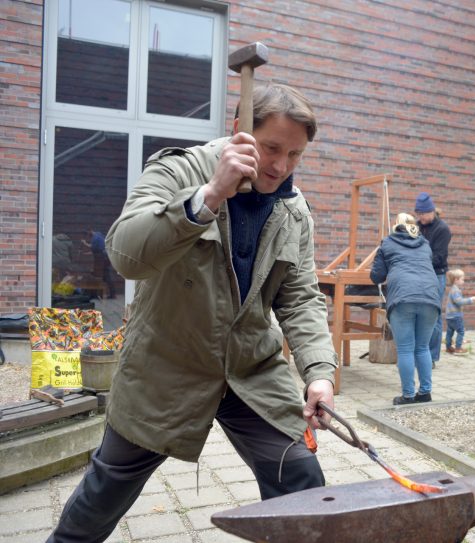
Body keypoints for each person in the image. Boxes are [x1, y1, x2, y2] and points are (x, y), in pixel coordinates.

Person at [47, 83, 339, 543]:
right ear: (240, 130)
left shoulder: (294, 209)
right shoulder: (179, 169)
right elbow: (125, 254)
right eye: (271, 148)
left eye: (296, 155)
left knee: (300, 478)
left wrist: (319, 373)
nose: (281, 166)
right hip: (166, 367)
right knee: (104, 495)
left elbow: (300, 297)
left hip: (250, 371)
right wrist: (209, 196)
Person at [370, 212, 441, 405]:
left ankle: (408, 395)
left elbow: (376, 276)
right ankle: (425, 393)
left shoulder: (388, 242)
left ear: (396, 226)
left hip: (403, 297)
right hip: (430, 296)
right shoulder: (424, 243)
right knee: (423, 347)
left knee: (406, 349)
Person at [414, 192, 452, 365]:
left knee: (434, 316)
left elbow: (438, 257)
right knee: (418, 314)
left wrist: (417, 258)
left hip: (436, 275)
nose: (420, 218)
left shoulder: (442, 229)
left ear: (432, 211)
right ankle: (420, 353)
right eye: (418, 214)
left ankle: (431, 357)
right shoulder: (416, 227)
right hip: (419, 275)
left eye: (423, 214)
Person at [444, 268, 475, 354]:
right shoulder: (455, 290)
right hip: (455, 316)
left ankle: (448, 347)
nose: (463, 281)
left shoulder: (453, 289)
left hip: (449, 316)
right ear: (456, 280)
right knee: (461, 331)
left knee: (449, 332)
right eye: (462, 279)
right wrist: (470, 299)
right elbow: (459, 301)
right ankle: (458, 348)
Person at [82, 229, 116, 298]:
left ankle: (110, 294)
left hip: (103, 260)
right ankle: (103, 293)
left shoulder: (95, 238)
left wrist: (85, 243)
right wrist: (87, 253)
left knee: (105, 276)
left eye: (88, 236)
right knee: (104, 276)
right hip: (105, 258)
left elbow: (94, 248)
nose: (89, 238)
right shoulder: (99, 235)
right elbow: (97, 250)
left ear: (90, 233)